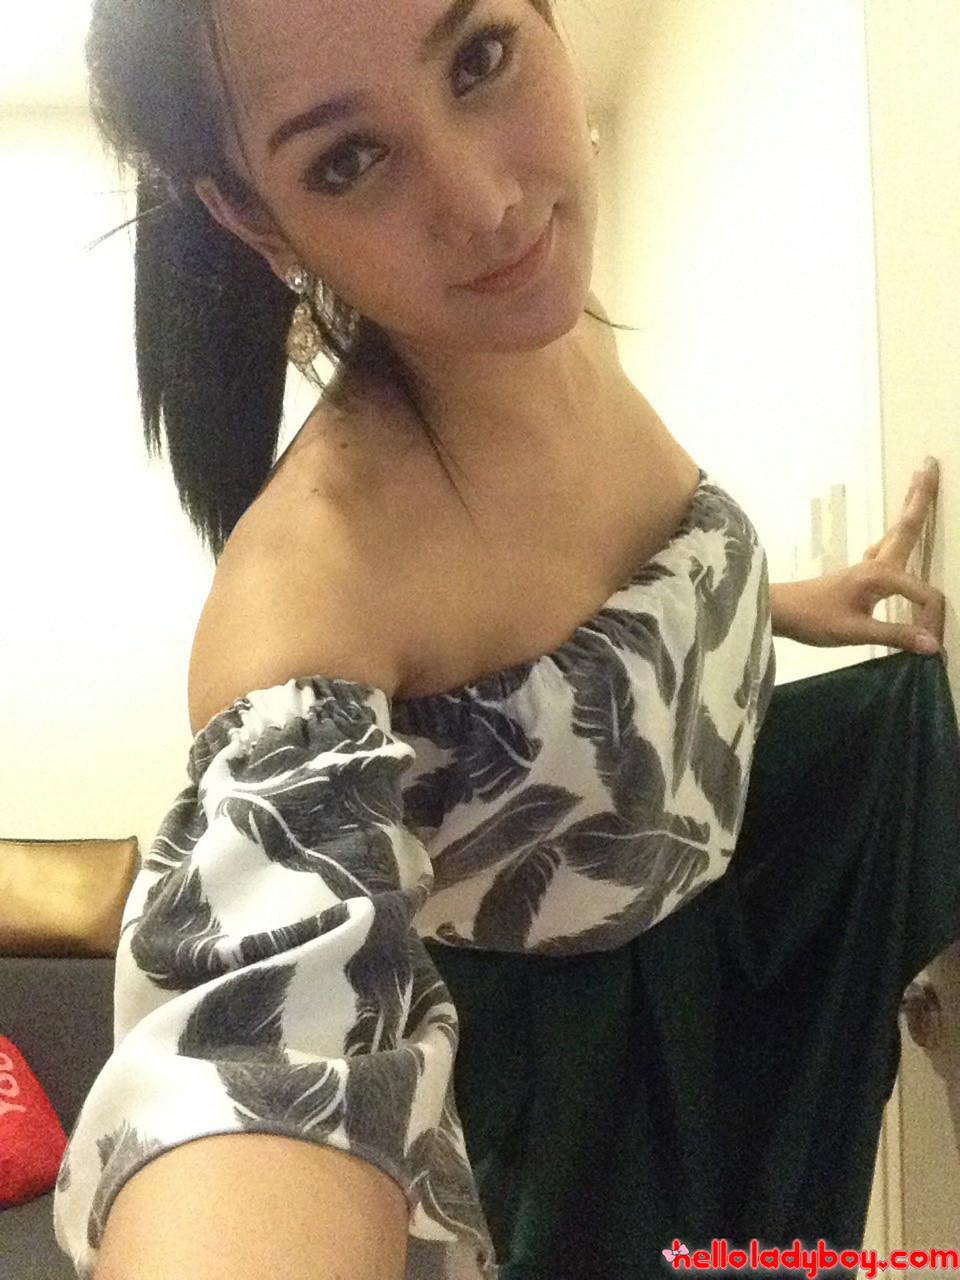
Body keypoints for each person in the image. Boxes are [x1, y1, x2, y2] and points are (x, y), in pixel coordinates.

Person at [53, 1, 945, 1278]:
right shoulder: (309, 593)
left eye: (479, 58)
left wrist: (782, 595)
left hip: (736, 965)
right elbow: (252, 1049)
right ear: (256, 217)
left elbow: (595, 614)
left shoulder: (548, 314)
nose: (485, 203)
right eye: (348, 160)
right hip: (594, 1131)